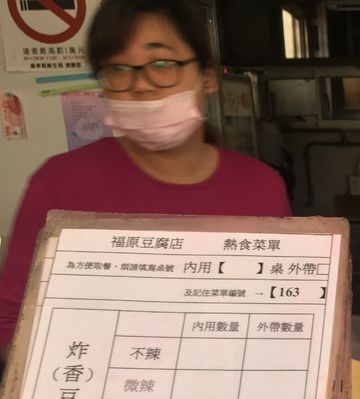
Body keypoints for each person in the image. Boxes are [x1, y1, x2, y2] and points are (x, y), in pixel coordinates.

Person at [0, 0, 290, 363]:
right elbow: (10, 322)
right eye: (119, 69)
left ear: (208, 78)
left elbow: (282, 315)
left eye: (163, 64)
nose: (141, 86)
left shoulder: (261, 187)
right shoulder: (59, 183)